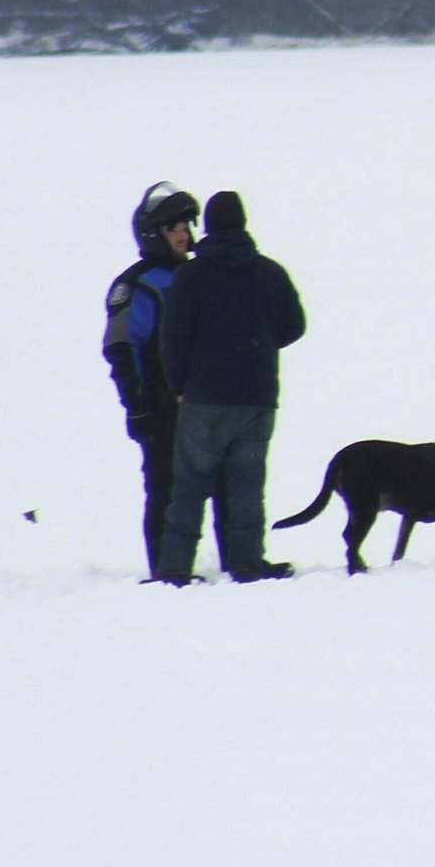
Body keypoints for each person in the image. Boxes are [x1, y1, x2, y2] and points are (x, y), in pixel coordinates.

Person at [156, 190, 307, 583]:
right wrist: (257, 345)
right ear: (243, 224)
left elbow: (172, 338)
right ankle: (246, 564)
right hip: (257, 400)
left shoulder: (191, 276)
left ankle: (174, 569)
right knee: (246, 487)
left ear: (207, 227)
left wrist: (179, 384)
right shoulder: (270, 272)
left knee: (189, 488)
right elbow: (295, 326)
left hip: (203, 399)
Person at [103, 182, 207, 580]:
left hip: (202, 402)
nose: (183, 234)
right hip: (160, 405)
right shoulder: (138, 285)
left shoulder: (199, 274)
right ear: (153, 234)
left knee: (205, 487)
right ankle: (167, 570)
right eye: (173, 227)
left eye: (186, 225)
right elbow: (121, 348)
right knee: (166, 488)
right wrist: (138, 404)